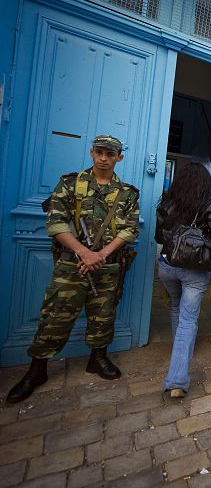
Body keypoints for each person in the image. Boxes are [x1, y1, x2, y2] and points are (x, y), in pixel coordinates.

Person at [7, 135, 140, 404]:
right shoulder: (69, 184)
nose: (104, 158)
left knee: (103, 313)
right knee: (55, 315)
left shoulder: (127, 193)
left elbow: (129, 229)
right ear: (91, 153)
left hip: (107, 264)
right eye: (100, 152)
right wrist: (84, 252)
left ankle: (98, 358)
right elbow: (56, 223)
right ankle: (37, 370)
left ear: (119, 158)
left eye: (110, 154)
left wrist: (101, 254)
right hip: (72, 263)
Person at [155, 163, 211, 398]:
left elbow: (158, 235)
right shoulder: (208, 205)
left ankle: (180, 351)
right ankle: (177, 381)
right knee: (188, 319)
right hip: (194, 269)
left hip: (167, 265)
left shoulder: (167, 202)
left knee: (176, 307)